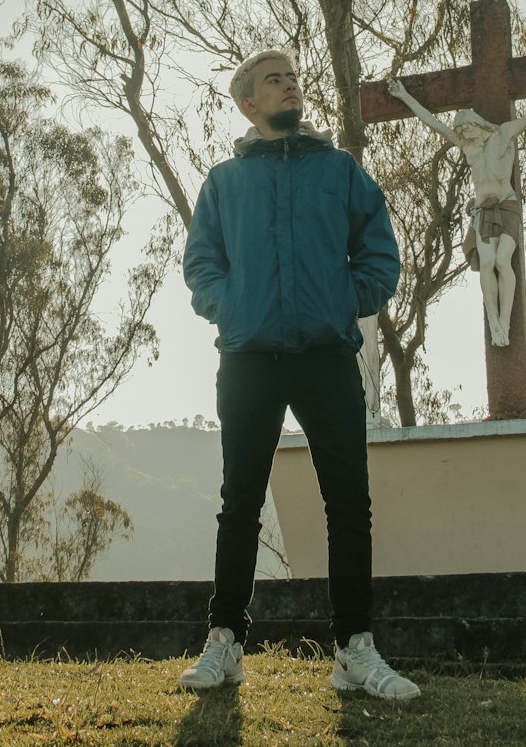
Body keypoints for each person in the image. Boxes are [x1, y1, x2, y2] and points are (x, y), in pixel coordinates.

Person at [179, 49, 419, 701]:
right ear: (248, 103)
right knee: (240, 506)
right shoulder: (224, 183)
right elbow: (201, 264)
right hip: (249, 359)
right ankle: (225, 644)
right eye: (273, 80)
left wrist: (349, 300)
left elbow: (378, 249)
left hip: (325, 357)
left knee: (349, 506)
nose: (289, 85)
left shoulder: (339, 171)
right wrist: (229, 310)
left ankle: (355, 652)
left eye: (292, 77)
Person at [387, 48, 526, 346]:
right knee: (488, 261)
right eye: (460, 131)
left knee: (503, 261)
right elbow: (433, 122)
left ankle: (504, 321)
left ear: (476, 124)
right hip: (482, 211)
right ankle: (494, 320)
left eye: (465, 128)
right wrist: (404, 96)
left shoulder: (504, 135)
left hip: (506, 207)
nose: (462, 133)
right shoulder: (468, 147)